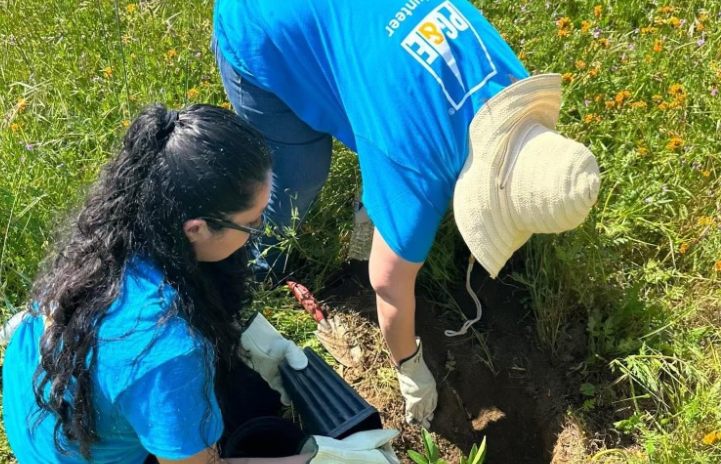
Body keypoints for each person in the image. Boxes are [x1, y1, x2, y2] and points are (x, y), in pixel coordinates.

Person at [212, 0, 601, 429]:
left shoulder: (508, 77)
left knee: (376, 138)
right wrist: (410, 370)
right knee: (295, 180)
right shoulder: (419, 163)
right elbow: (387, 285)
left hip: (352, 30)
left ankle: (368, 207)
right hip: (264, 27)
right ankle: (260, 265)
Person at [1, 104, 398, 464]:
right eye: (253, 220)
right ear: (196, 228)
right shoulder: (167, 349)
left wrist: (253, 339)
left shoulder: (118, 230)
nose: (259, 230)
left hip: (42, 410)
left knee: (248, 395)